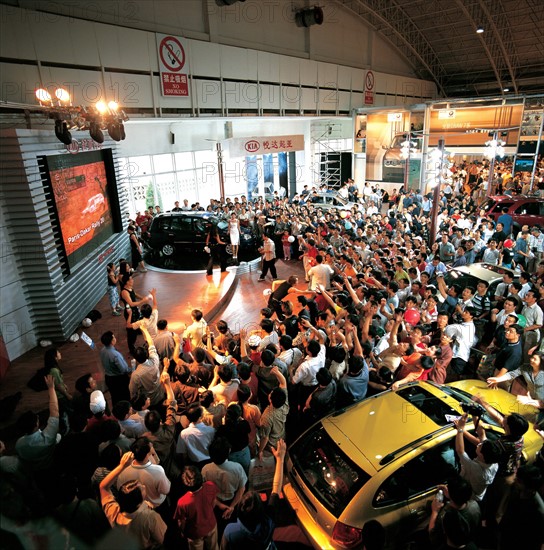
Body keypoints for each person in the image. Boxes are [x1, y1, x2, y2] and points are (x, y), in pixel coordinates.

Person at [221, 439, 287, 549]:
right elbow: (276, 488)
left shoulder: (231, 531)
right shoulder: (268, 522)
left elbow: (224, 548)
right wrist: (280, 460)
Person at [100, 451, 167, 549]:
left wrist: (122, 466)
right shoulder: (150, 517)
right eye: (142, 489)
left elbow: (103, 487)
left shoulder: (113, 511)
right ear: (137, 503)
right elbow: (163, 539)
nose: (144, 486)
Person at [15, 375, 60, 471]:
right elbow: (55, 411)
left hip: (36, 470)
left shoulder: (19, 444)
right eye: (37, 419)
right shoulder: (48, 438)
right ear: (36, 425)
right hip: (52, 464)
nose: (38, 417)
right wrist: (51, 388)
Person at [174, 466, 220, 550]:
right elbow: (214, 503)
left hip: (195, 533)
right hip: (211, 525)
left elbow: (182, 522)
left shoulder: (183, 502)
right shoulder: (210, 485)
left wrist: (182, 531)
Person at [100, 331, 132, 404]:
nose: (115, 338)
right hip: (119, 380)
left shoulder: (102, 350)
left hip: (108, 378)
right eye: (113, 337)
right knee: (124, 397)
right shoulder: (115, 355)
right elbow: (124, 369)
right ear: (112, 341)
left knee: (115, 396)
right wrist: (132, 369)